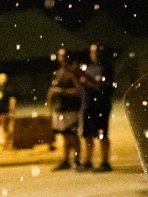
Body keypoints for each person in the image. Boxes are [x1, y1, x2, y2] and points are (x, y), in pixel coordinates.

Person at [79, 43, 114, 171]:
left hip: (100, 105)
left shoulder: (105, 68)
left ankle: (105, 162)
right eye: (93, 52)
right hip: (88, 104)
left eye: (98, 52)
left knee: (101, 134)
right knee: (87, 134)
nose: (95, 55)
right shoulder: (90, 67)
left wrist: (85, 77)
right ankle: (87, 161)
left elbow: (100, 86)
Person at [47, 48, 83, 171]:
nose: (61, 59)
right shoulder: (58, 72)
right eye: (60, 56)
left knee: (73, 135)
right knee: (65, 136)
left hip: (71, 109)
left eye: (63, 56)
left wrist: (61, 91)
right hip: (60, 108)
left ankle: (77, 160)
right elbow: (52, 90)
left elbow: (79, 91)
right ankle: (66, 160)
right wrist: (49, 106)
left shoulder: (72, 73)